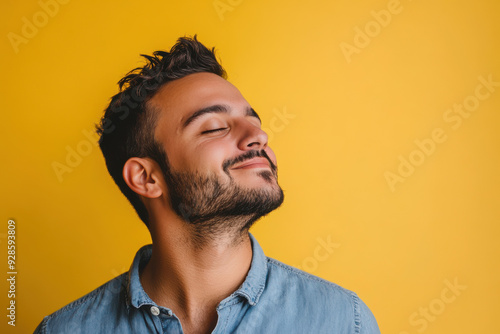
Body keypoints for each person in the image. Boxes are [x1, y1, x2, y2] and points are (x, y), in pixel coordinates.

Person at [34, 36, 380, 334]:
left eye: (253, 122)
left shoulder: (342, 320)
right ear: (146, 178)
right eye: (214, 127)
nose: (258, 136)